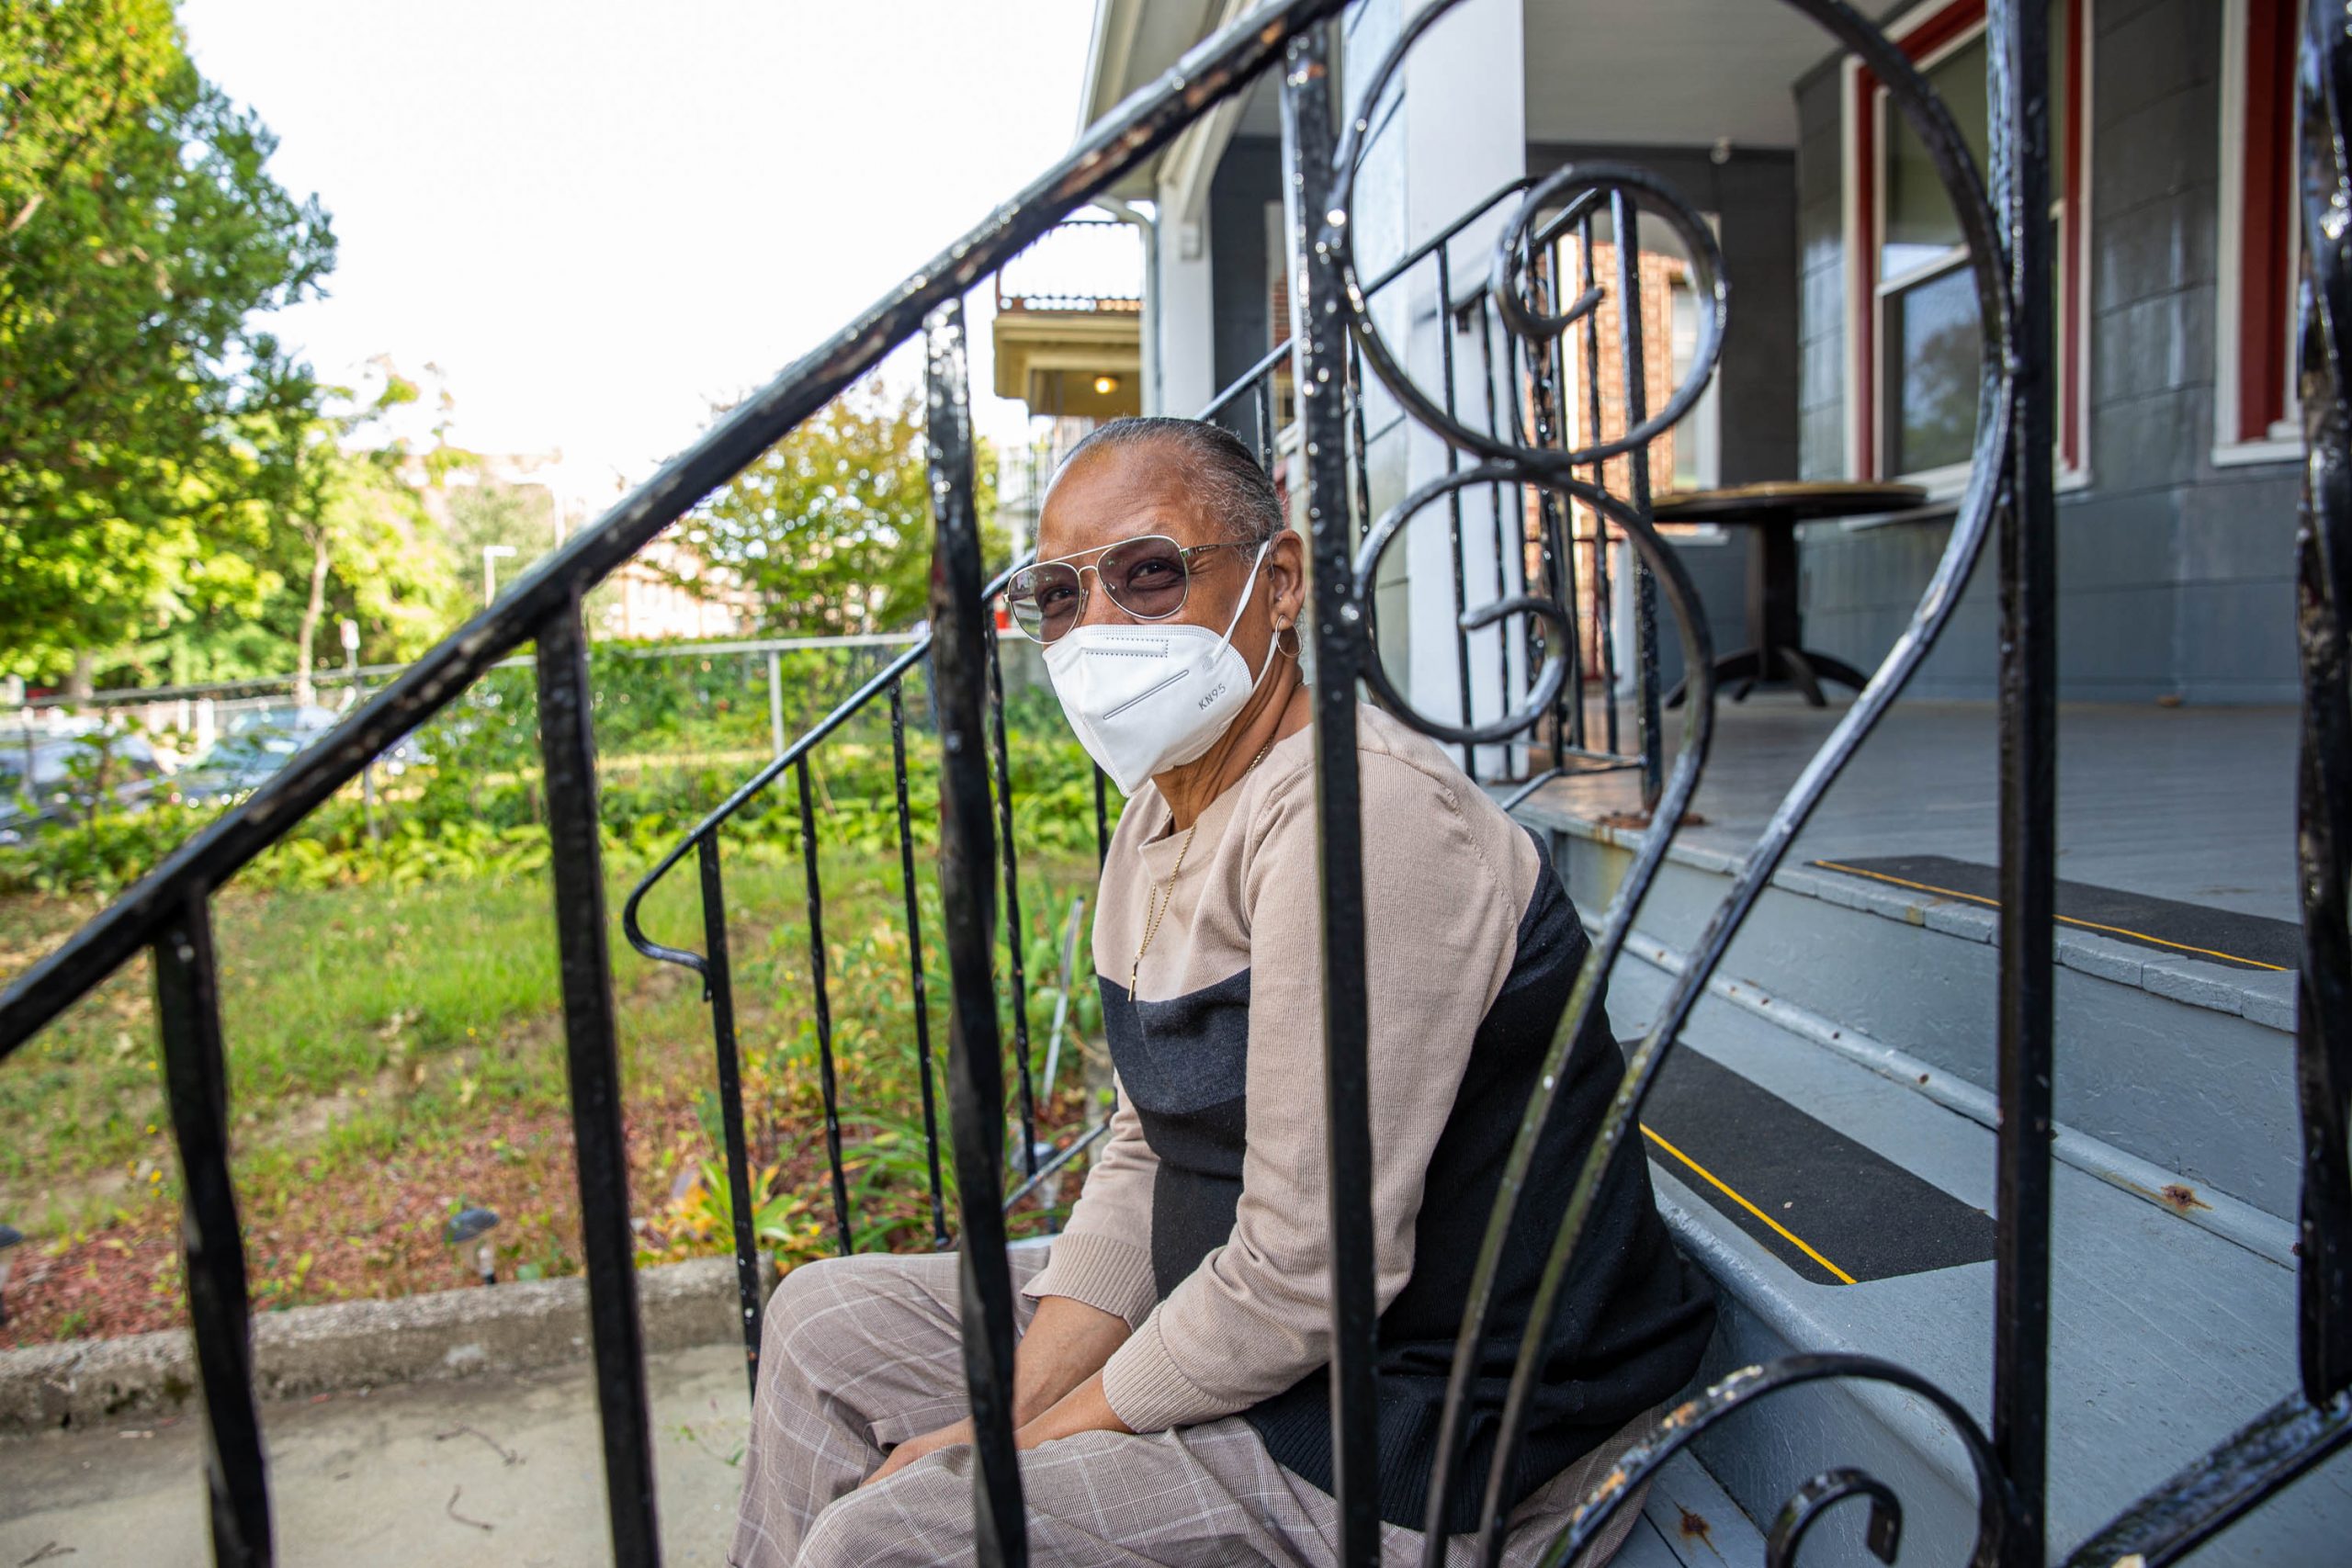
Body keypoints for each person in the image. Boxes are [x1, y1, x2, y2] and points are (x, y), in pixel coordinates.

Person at [730, 417, 1715, 1568]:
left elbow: (1309, 1272)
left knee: (895, 1540)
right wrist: (1002, 1421)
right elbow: (1149, 1141)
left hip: (1418, 1421)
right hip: (1231, 1304)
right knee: (822, 1321)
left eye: (1146, 575)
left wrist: (1024, 1447)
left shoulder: (1360, 818)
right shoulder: (1163, 809)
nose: (1095, 628)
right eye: (1056, 596)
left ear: (1279, 580)